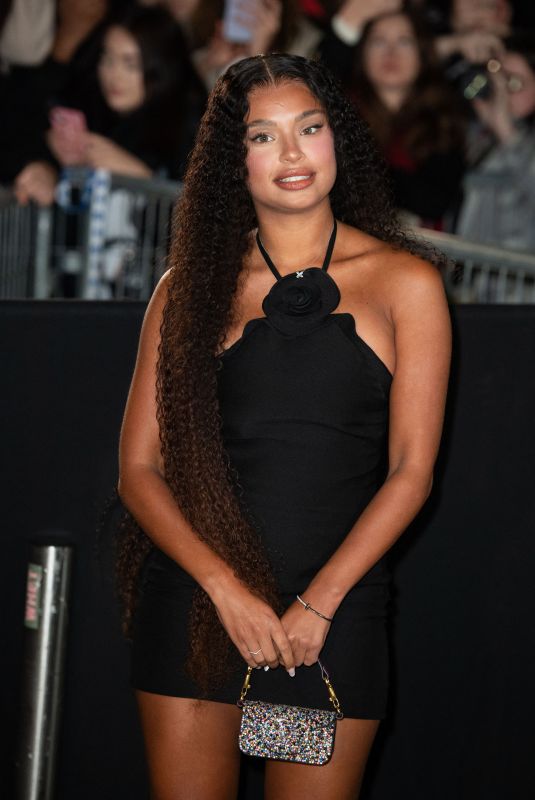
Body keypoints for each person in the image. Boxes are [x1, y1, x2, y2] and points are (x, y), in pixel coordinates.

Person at [117, 53, 451, 799]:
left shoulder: (405, 284)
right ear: (231, 163)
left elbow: (412, 472)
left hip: (327, 627)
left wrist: (317, 604)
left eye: (309, 128)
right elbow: (138, 470)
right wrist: (225, 590)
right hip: (199, 613)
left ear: (340, 138)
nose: (292, 154)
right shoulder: (188, 292)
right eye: (262, 137)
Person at [14, 5, 206, 205]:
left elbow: (202, 214)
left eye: (130, 64)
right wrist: (51, 170)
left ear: (160, 68)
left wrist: (141, 177)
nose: (113, 75)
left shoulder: (193, 126)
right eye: (107, 58)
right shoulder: (91, 108)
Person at [346, 8, 467, 228]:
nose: (391, 53)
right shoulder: (337, 114)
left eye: (404, 42)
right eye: (378, 42)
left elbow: (435, 201)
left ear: (423, 54)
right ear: (362, 53)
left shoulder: (444, 119)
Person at [456, 50, 535, 251]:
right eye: (494, 78)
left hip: (515, 277)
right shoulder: (472, 135)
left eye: (513, 82)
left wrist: (506, 133)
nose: (500, 90)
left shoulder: (522, 145)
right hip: (468, 274)